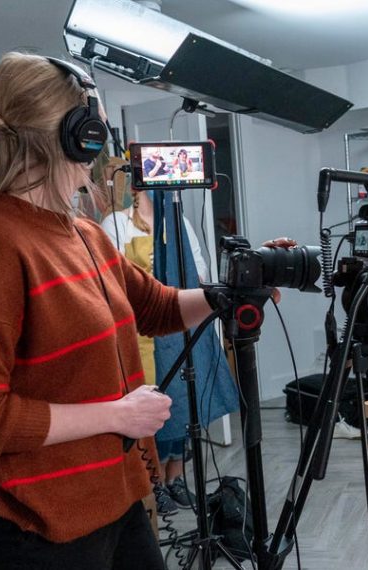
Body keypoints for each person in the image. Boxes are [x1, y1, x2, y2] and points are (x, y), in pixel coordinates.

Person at [0, 53, 230, 569]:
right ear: (72, 136)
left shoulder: (83, 233)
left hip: (116, 501)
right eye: (96, 128)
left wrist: (228, 293)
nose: (101, 144)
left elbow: (155, 307)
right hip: (36, 530)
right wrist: (117, 415)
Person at [100, 188, 221, 514]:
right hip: (141, 333)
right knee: (153, 403)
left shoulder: (180, 222)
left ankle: (176, 477)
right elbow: (113, 283)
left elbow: (199, 272)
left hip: (179, 324)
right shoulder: (116, 224)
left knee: (182, 403)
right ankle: (154, 482)